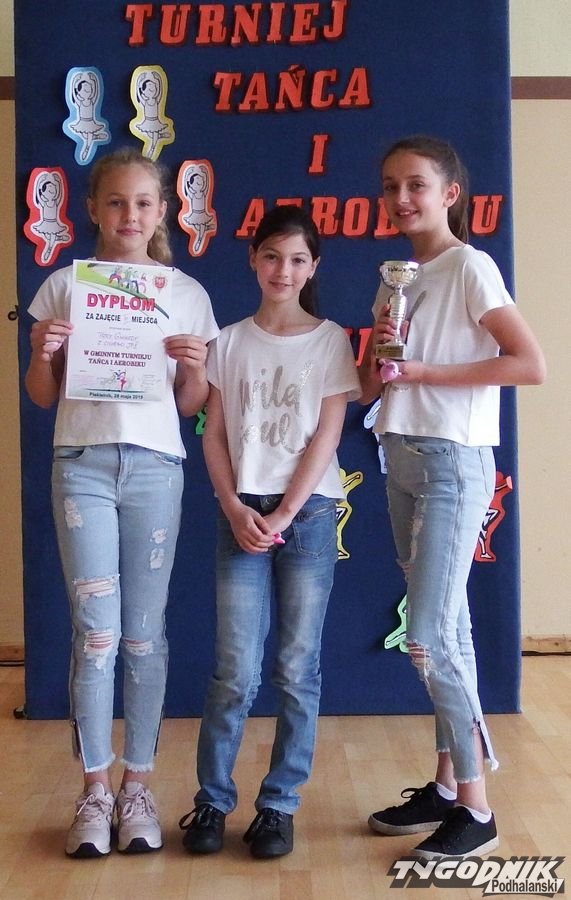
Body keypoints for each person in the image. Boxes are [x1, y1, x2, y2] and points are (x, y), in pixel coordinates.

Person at [25, 147, 219, 858]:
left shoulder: (186, 293)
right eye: (115, 202)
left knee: (142, 634)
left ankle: (138, 785)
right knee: (96, 633)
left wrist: (194, 368)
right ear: (93, 209)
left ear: (161, 211)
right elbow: (42, 396)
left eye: (142, 202)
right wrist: (43, 353)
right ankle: (95, 790)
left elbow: (190, 404)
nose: (129, 215)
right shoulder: (64, 286)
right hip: (81, 465)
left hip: (155, 469)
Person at [358, 135, 546, 860]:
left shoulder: (470, 266)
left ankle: (476, 806)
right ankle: (445, 787)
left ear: (449, 194)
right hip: (400, 457)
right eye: (390, 186)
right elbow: (373, 385)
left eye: (415, 185)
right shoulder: (396, 280)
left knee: (429, 636)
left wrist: (423, 371)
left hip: (452, 463)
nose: (401, 198)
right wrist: (382, 351)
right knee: (450, 629)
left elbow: (527, 363)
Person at [179, 205, 361, 859]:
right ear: (253, 260)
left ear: (313, 268)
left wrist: (284, 514)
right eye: (272, 256)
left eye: (297, 259)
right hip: (241, 514)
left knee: (296, 667)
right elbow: (214, 432)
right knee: (234, 668)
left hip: (305, 515)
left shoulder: (330, 340)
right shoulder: (228, 342)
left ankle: (279, 805)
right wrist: (233, 505)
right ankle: (211, 800)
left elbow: (327, 436)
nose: (283, 270)